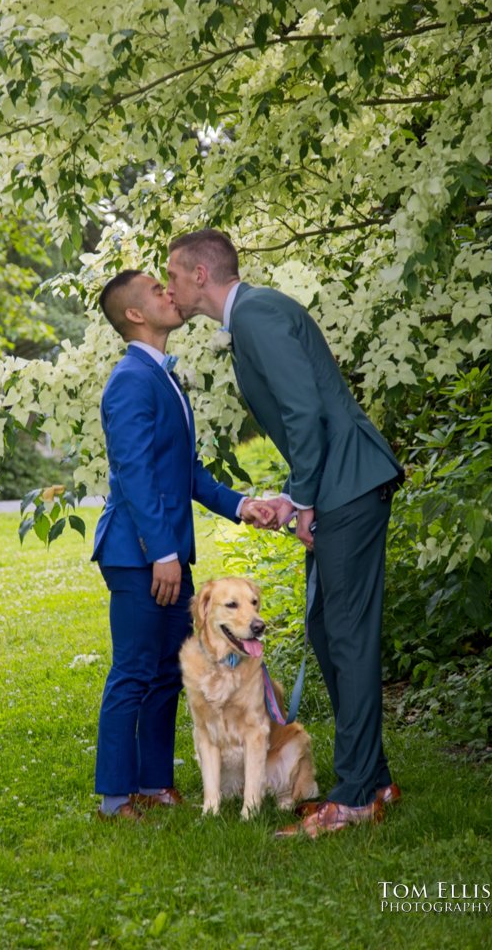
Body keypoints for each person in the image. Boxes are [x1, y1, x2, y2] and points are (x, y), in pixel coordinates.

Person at [166, 229, 405, 838]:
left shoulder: (256, 317)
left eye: (172, 274)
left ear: (200, 274)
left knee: (347, 639)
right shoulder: (256, 315)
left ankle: (352, 797)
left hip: (348, 486)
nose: (168, 287)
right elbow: (309, 413)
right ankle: (373, 779)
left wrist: (302, 500)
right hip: (339, 486)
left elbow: (303, 412)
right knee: (330, 632)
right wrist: (296, 497)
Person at [92, 269, 272, 820]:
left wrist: (243, 506)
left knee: (169, 672)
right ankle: (116, 796)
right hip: (139, 555)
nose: (170, 292)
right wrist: (162, 553)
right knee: (133, 670)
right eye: (156, 289)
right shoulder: (129, 380)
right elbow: (135, 472)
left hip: (167, 556)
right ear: (135, 315)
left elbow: (183, 472)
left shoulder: (165, 378)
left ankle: (154, 781)